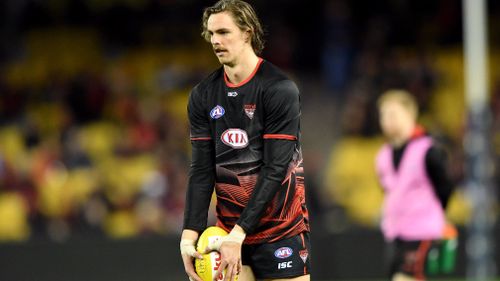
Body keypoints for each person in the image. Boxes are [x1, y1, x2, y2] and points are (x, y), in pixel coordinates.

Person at [179, 1, 311, 281]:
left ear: (247, 33)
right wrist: (188, 237)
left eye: (224, 32)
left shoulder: (279, 89)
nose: (215, 41)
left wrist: (240, 233)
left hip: (280, 231)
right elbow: (201, 171)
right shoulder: (203, 95)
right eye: (211, 34)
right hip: (228, 236)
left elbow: (276, 168)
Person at [375, 90, 455, 281]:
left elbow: (445, 187)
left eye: (393, 114)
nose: (387, 120)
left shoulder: (429, 151)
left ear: (410, 114)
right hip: (395, 231)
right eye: (383, 115)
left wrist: (437, 215)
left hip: (421, 230)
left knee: (403, 278)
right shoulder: (383, 155)